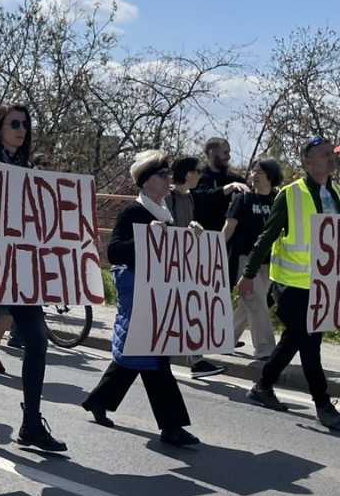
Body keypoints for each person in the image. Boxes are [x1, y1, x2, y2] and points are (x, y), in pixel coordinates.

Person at [0, 104, 67, 453]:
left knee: (37, 339)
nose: (22, 130)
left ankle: (31, 422)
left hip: (22, 270)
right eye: (14, 124)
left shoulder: (29, 170)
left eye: (25, 124)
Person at [80, 150, 199, 446]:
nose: (169, 179)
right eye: (162, 175)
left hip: (160, 296)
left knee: (136, 357)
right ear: (146, 183)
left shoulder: (165, 213)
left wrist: (192, 236)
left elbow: (171, 255)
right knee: (156, 360)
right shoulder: (134, 213)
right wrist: (145, 237)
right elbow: (115, 252)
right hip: (141, 297)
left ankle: (99, 400)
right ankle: (172, 426)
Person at [238, 137, 340, 430]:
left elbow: (336, 234)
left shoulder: (335, 191)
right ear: (308, 162)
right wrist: (249, 275)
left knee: (294, 339)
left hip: (322, 283)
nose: (331, 158)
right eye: (324, 155)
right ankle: (323, 405)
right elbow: (267, 236)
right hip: (291, 284)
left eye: (332, 153)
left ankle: (262, 386)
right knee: (310, 343)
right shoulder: (290, 194)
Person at [166, 156, 226, 379]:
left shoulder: (188, 197)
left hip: (183, 260)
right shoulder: (168, 195)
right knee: (177, 312)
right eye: (197, 172)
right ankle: (182, 360)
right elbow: (167, 224)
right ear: (188, 173)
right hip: (169, 262)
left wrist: (193, 226)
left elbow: (184, 223)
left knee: (191, 309)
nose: (200, 177)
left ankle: (196, 360)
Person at [223, 158, 279, 360]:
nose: (254, 175)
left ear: (270, 176)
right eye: (253, 171)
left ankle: (225, 339)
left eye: (259, 172)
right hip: (246, 259)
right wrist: (216, 251)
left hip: (270, 261)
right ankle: (265, 349)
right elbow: (228, 228)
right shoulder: (243, 199)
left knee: (253, 303)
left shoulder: (277, 199)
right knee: (255, 301)